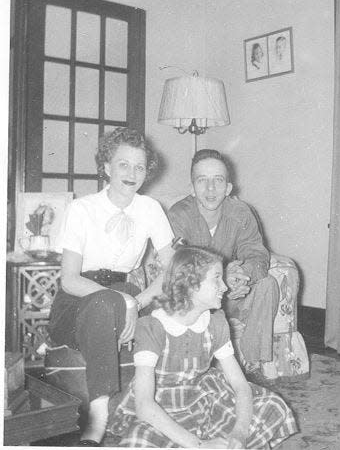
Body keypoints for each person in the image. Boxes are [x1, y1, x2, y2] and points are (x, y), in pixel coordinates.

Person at [47, 127, 175, 446]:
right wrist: (123, 299)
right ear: (106, 167)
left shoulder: (150, 209)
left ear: (147, 172)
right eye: (123, 164)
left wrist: (140, 300)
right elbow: (69, 279)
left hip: (126, 295)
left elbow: (175, 265)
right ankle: (99, 416)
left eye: (139, 167)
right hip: (77, 301)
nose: (131, 173)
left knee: (147, 311)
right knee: (108, 302)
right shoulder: (82, 209)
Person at [108, 246, 297, 448]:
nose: (224, 287)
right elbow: (145, 405)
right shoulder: (153, 327)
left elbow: (240, 385)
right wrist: (198, 445)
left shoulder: (216, 323)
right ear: (191, 284)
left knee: (273, 405)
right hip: (161, 407)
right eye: (216, 278)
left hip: (203, 399)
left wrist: (239, 434)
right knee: (140, 440)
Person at [167, 149, 279, 382]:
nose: (210, 189)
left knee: (267, 284)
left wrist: (243, 276)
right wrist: (221, 278)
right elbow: (179, 268)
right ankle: (199, 370)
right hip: (196, 298)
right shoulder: (179, 215)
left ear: (228, 188)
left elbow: (257, 255)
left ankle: (252, 368)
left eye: (218, 180)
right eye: (202, 181)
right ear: (191, 188)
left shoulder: (240, 212)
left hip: (232, 296)